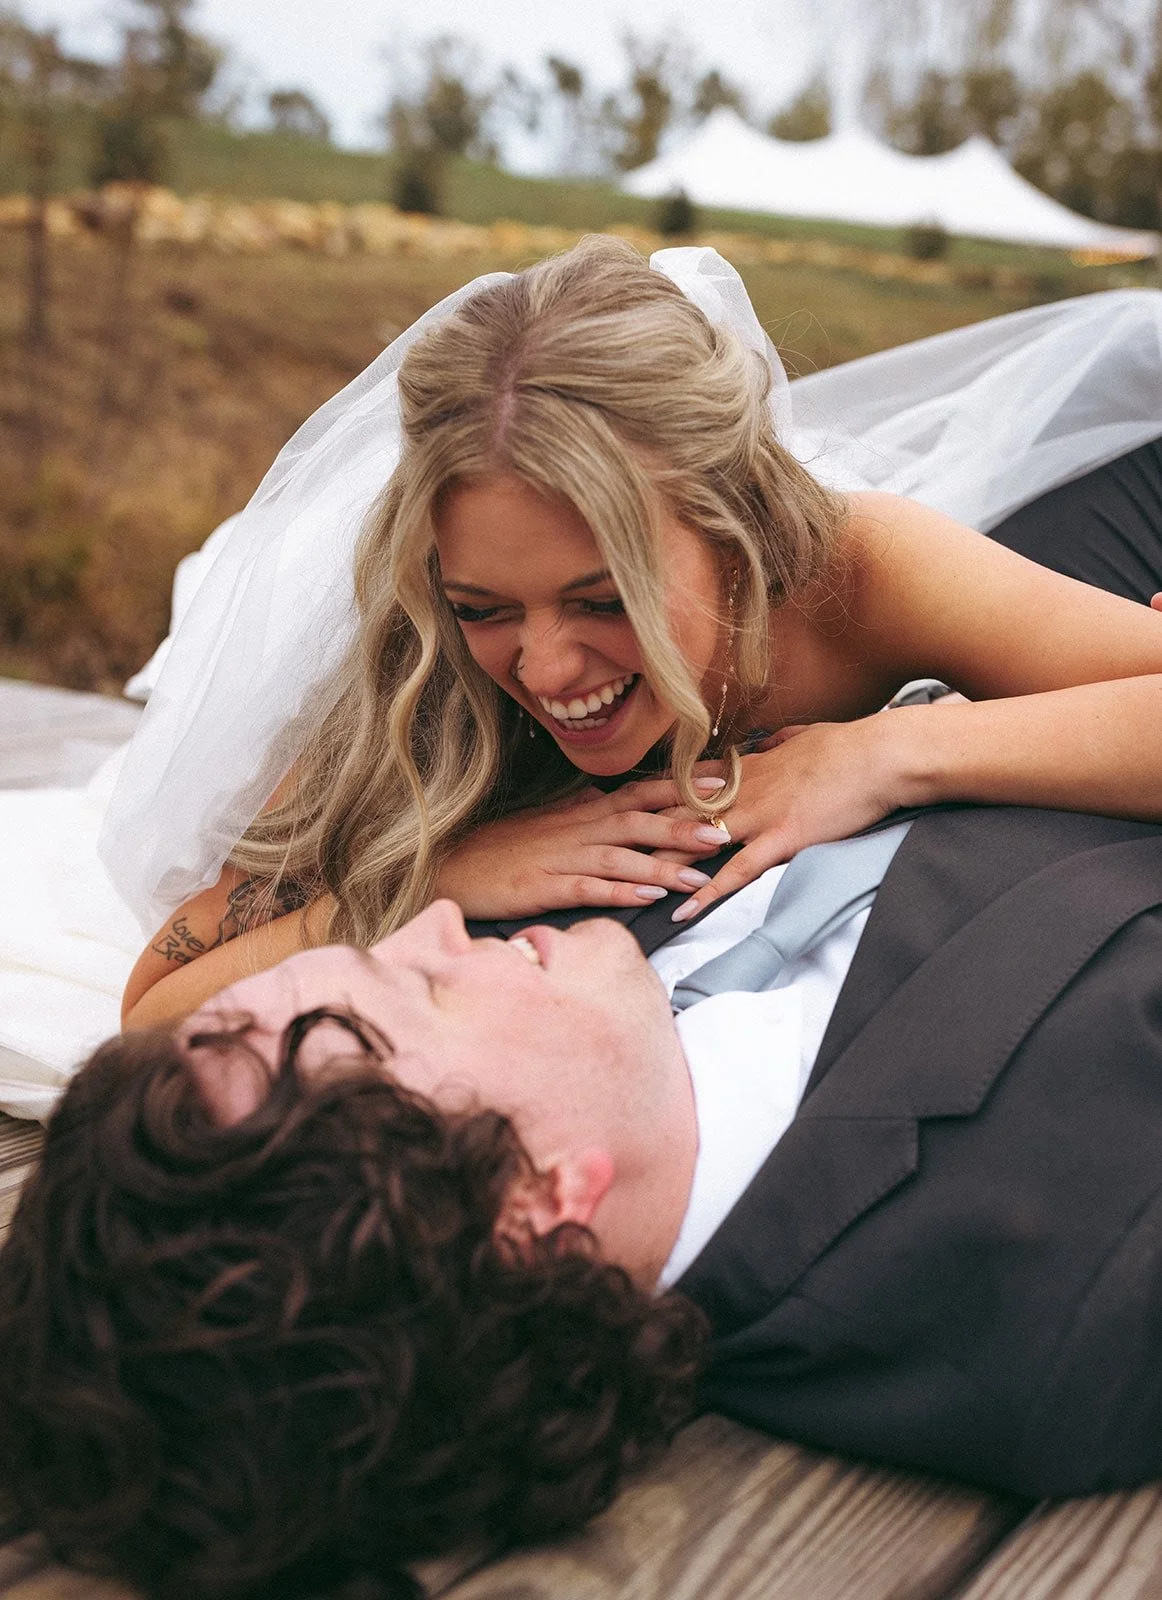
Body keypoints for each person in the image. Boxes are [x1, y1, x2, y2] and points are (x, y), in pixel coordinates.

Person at [5, 792, 1162, 1600]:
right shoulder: (1081, 1286)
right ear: (530, 1200)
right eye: (419, 987)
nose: (437, 921)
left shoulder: (567, 1003)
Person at [100, 239, 1162, 1032]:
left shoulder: (855, 566)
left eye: (605, 601)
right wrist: (432, 882)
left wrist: (888, 753)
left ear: (732, 526)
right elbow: (153, 1012)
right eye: (488, 608)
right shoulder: (422, 669)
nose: (549, 666)